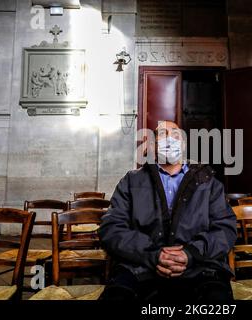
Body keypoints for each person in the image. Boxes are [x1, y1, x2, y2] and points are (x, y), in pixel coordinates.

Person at [99, 120, 237, 302]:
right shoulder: (132, 182)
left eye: (176, 135)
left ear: (184, 145)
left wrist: (189, 254)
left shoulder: (208, 183)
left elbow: (225, 229)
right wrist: (154, 255)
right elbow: (111, 228)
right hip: (140, 267)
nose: (170, 139)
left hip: (201, 268)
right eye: (162, 134)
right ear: (153, 146)